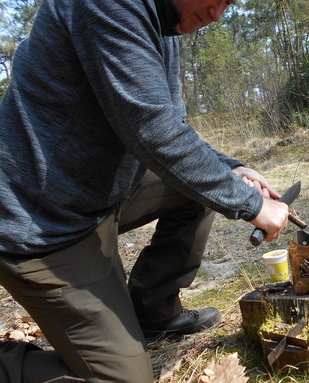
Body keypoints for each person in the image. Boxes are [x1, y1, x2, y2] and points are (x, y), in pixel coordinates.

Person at [0, 0, 289, 381]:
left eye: (230, 4)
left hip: (98, 195)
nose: (217, 14)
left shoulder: (163, 22)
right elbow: (150, 128)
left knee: (201, 189)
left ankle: (155, 313)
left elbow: (170, 124)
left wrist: (230, 168)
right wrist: (250, 203)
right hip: (40, 221)